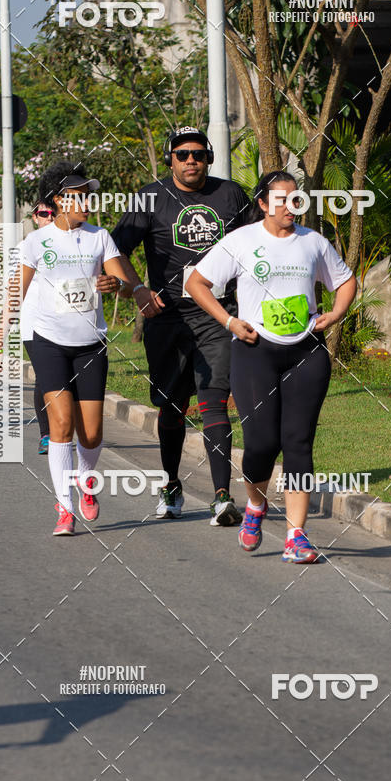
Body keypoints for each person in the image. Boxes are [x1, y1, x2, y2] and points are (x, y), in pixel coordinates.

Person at [185, 171, 357, 563]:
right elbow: (197, 283)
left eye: (295, 199)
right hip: (254, 349)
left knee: (297, 443)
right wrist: (229, 322)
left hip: (305, 352)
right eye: (279, 199)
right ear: (263, 204)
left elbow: (345, 282)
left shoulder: (313, 242)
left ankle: (296, 536)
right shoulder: (241, 241)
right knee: (261, 443)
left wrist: (334, 314)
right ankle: (257, 507)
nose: (289, 206)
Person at [111, 126, 252, 525]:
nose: (191, 160)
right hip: (167, 317)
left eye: (198, 154)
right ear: (171, 158)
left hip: (217, 314)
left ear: (208, 157)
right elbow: (115, 249)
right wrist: (138, 289)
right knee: (171, 408)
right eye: (182, 154)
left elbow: (258, 242)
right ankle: (171, 485)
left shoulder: (231, 195)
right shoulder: (150, 198)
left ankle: (222, 496)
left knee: (214, 399)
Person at [18, 161, 131, 536]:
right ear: (58, 200)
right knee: (61, 423)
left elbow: (122, 279)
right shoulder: (36, 242)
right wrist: (5, 330)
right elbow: (18, 289)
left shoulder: (100, 237)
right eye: (79, 195)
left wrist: (114, 284)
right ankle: (64, 508)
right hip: (47, 339)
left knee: (93, 434)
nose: (87, 201)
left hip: (89, 343)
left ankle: (85, 479)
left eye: (88, 194)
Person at [19, 200, 56, 454]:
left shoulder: (68, 244)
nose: (49, 218)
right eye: (44, 213)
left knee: (62, 380)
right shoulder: (25, 247)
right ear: (35, 217)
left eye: (54, 213)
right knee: (44, 376)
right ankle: (46, 434)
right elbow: (14, 288)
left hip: (63, 322)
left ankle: (60, 428)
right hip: (33, 322)